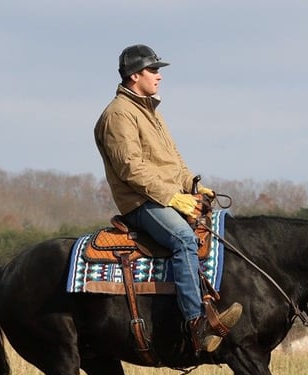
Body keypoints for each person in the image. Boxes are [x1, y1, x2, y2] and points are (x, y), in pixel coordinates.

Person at [94, 44, 242, 354]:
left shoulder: (150, 112)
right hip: (141, 203)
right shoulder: (118, 115)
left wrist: (194, 185)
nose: (159, 76)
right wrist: (173, 198)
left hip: (165, 197)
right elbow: (131, 169)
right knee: (184, 239)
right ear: (135, 76)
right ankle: (197, 324)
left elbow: (174, 162)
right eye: (154, 70)